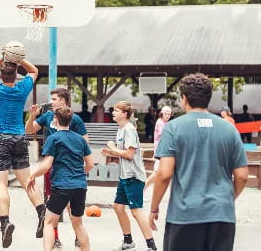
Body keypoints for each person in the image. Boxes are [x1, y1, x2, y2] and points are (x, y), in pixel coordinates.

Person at [149, 73, 249, 251]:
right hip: (221, 214)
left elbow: (164, 174)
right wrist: (227, 198)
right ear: (208, 99)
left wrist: (154, 208)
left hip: (185, 214)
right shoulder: (229, 129)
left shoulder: (173, 128)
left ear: (184, 99)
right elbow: (242, 175)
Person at [0, 54, 45, 248]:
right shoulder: (22, 88)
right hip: (19, 138)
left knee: (1, 184)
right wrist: (19, 60)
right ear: (15, 75)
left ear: (1, 75)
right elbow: (34, 71)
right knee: (27, 180)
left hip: (0, 138)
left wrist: (3, 56)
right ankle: (41, 211)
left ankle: (5, 222)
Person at [26, 87, 89, 249]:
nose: (51, 101)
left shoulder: (75, 119)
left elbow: (85, 143)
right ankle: (55, 238)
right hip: (55, 169)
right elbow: (29, 130)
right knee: (53, 207)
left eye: (54, 99)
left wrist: (75, 168)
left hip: (67, 170)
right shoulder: (47, 116)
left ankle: (75, 237)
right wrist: (32, 115)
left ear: (63, 100)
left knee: (65, 208)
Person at [102, 101, 157, 251]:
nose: (112, 113)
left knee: (136, 210)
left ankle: (151, 246)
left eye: (116, 110)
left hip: (133, 176)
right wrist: (111, 153)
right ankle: (128, 241)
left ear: (124, 114)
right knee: (118, 207)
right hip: (124, 176)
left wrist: (113, 148)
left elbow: (129, 154)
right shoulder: (120, 129)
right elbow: (124, 153)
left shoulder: (129, 130)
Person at [144, 106, 172, 191]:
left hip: (164, 151)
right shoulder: (160, 122)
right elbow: (163, 135)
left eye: (169, 114)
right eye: (166, 114)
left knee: (167, 173)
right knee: (156, 173)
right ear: (162, 114)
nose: (167, 116)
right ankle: (142, 189)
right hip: (161, 151)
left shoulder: (164, 122)